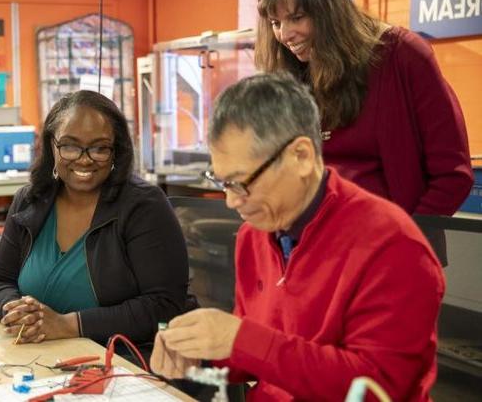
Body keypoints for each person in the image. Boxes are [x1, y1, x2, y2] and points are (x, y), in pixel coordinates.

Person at [150, 73, 445, 401]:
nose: (232, 202)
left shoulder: (393, 247)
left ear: (301, 156)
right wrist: (200, 354)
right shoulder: (255, 234)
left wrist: (240, 339)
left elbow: (376, 389)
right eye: (221, 182)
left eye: (240, 182)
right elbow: (259, 357)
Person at [255, 0, 472, 215]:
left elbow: (453, 175)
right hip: (321, 245)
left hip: (396, 244)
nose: (285, 34)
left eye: (297, 17)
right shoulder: (293, 74)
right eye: (275, 22)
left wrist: (405, 237)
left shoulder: (403, 55)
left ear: (330, 11)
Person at [0, 90, 194, 346]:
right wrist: (17, 311)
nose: (84, 160)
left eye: (99, 148)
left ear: (116, 150)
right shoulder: (30, 201)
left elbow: (164, 306)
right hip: (41, 355)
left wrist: (68, 325)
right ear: (52, 145)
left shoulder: (144, 206)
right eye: (70, 146)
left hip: (124, 361)